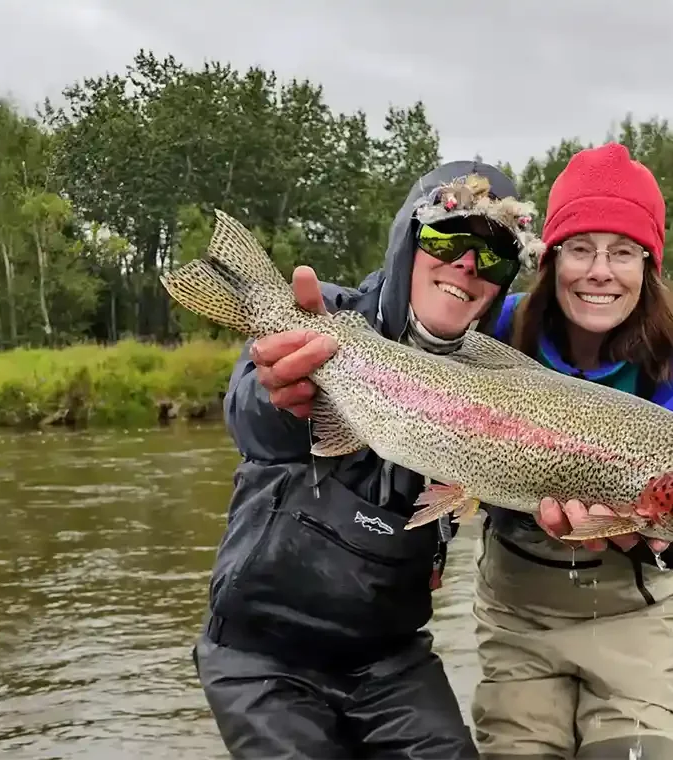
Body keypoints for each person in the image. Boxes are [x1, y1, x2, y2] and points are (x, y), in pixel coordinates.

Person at [191, 161, 544, 760]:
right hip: (262, 657)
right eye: (450, 237)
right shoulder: (325, 314)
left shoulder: (499, 382)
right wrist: (286, 397)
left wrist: (570, 515)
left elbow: (508, 506)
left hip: (391, 659)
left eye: (493, 258)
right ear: (409, 237)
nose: (467, 265)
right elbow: (250, 421)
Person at [469, 142, 673, 760]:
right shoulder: (497, 331)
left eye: (623, 252)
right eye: (580, 249)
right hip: (519, 617)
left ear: (649, 266)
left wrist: (660, 537)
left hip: (638, 623)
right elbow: (409, 315)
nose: (599, 271)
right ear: (551, 258)